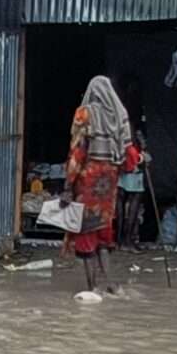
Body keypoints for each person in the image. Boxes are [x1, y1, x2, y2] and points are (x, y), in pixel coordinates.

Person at [66, 75, 129, 289]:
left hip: (89, 181)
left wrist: (68, 184)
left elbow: (78, 152)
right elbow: (127, 154)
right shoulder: (119, 115)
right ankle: (111, 285)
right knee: (103, 233)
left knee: (86, 233)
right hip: (109, 183)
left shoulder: (85, 114)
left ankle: (92, 287)